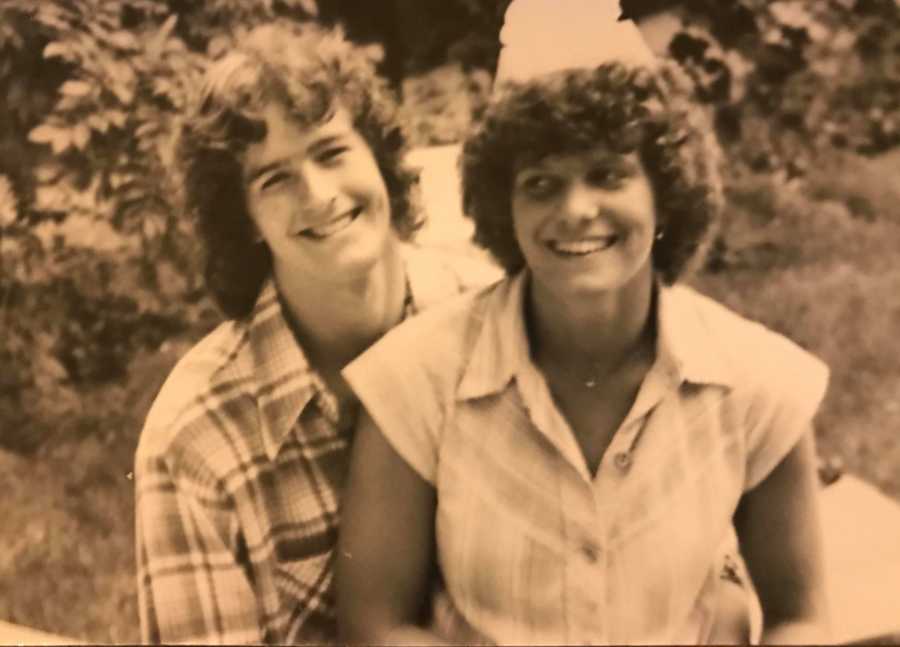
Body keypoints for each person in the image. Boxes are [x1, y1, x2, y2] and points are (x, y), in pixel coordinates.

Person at [336, 1, 832, 644]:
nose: (576, 210)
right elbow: (374, 623)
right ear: (502, 209)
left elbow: (801, 617)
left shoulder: (756, 383)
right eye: (541, 184)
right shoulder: (417, 378)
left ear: (666, 191)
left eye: (608, 175)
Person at [134, 21, 498, 644]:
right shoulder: (193, 444)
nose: (320, 195)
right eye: (274, 179)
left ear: (382, 162)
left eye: (332, 152)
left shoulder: (491, 320)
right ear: (243, 217)